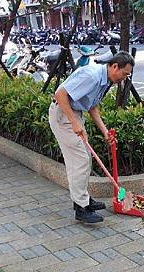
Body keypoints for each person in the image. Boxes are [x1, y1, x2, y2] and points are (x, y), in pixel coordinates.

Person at [49, 51, 134, 223]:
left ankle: (83, 200)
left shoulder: (104, 81)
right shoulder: (92, 76)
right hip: (63, 115)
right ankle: (81, 208)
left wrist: (105, 132)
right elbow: (60, 94)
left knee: (84, 159)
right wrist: (73, 121)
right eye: (124, 74)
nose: (123, 79)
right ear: (114, 66)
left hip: (73, 114)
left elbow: (92, 106)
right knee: (80, 161)